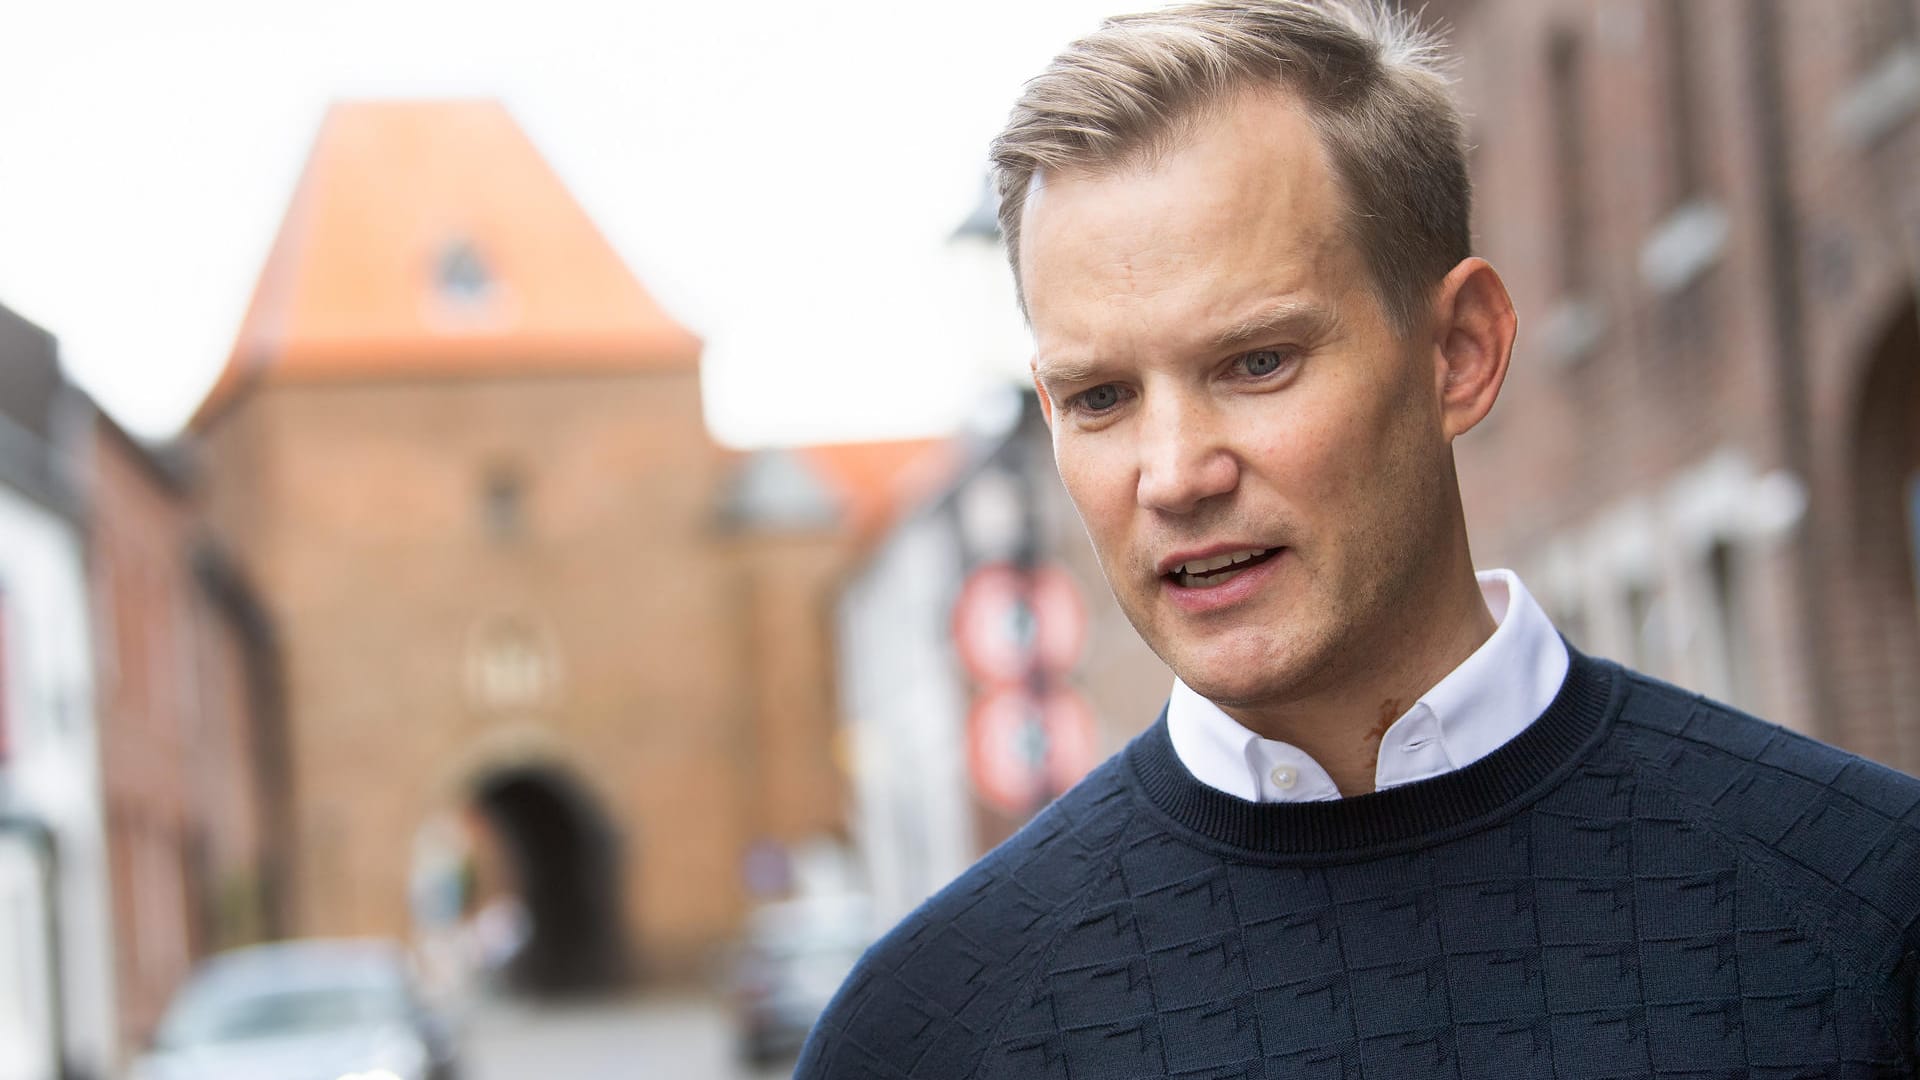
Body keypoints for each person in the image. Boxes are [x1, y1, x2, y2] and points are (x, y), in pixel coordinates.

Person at [798, 1, 1920, 1075]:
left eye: (1257, 362)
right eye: (1101, 398)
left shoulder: (1872, 905)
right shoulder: (928, 1029)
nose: (1177, 473)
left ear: (1460, 352)